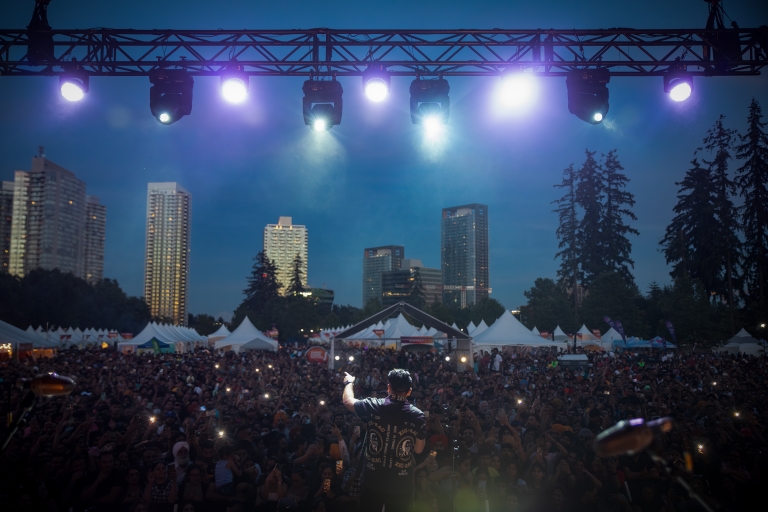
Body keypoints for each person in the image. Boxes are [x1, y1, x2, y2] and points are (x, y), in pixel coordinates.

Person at [342, 368, 426, 512]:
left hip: (372, 482)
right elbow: (418, 449)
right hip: (402, 484)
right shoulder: (417, 415)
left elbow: (347, 401)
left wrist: (349, 382)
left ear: (388, 387)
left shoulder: (373, 405)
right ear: (409, 391)